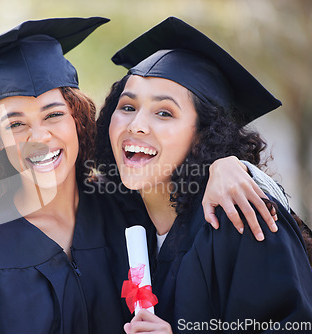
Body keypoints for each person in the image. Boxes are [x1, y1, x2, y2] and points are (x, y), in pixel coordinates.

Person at [0, 17, 287, 334]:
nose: (39, 136)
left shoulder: (133, 212)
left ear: (79, 120)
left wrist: (229, 164)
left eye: (53, 114)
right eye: (15, 124)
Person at [96, 16, 312, 333]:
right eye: (127, 107)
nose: (136, 125)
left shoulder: (239, 215)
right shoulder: (115, 213)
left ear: (203, 135)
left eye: (164, 112)